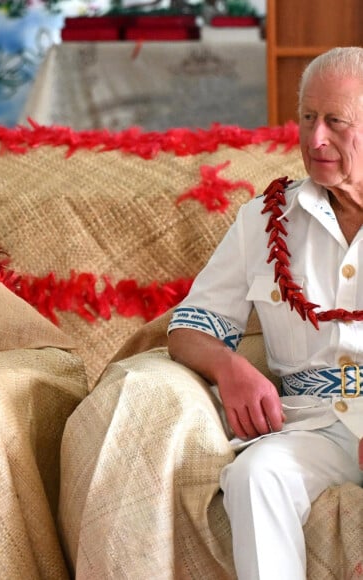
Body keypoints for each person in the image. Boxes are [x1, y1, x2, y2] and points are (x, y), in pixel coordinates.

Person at [166, 46, 363, 578]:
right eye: (307, 118)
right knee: (256, 474)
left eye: (335, 122)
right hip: (313, 429)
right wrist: (228, 368)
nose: (315, 138)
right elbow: (188, 328)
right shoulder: (264, 219)